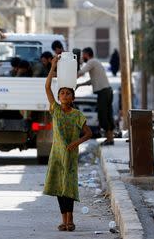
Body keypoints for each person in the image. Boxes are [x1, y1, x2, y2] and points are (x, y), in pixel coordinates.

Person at [43, 56, 92, 232]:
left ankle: (71, 220)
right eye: (62, 93)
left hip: (70, 156)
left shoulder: (77, 114)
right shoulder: (55, 109)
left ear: (72, 97)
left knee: (68, 187)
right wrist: (53, 66)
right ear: (58, 97)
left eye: (68, 93)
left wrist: (76, 143)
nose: (64, 95)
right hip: (56, 155)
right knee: (58, 187)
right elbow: (47, 87)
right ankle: (63, 220)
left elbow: (89, 133)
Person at [77, 47, 115, 146]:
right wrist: (80, 85)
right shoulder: (95, 62)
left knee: (103, 116)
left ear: (87, 54)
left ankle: (109, 138)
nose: (82, 57)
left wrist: (71, 76)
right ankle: (110, 138)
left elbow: (81, 73)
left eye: (83, 55)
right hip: (107, 91)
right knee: (107, 115)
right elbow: (92, 80)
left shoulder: (91, 61)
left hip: (103, 92)